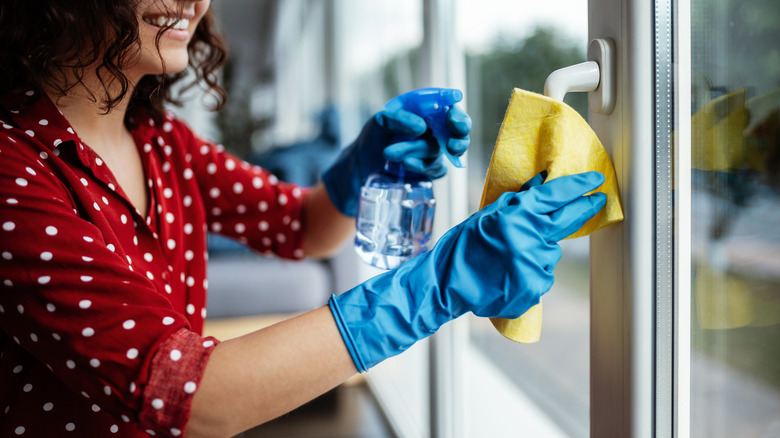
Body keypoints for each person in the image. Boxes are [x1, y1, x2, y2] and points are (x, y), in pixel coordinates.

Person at [0, 0, 607, 437]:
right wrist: (436, 285)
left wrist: (361, 164)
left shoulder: (160, 141)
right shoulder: (12, 172)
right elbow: (195, 397)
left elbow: (298, 227)